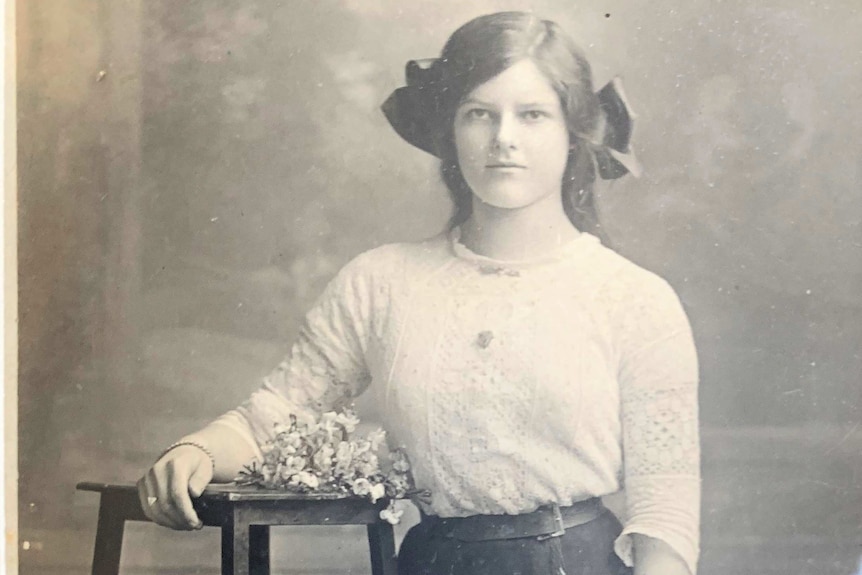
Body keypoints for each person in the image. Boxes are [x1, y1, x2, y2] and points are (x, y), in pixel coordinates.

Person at [138, 11, 700, 575]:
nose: (504, 138)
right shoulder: (381, 283)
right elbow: (275, 418)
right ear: (449, 130)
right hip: (431, 560)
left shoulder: (632, 298)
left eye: (532, 115)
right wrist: (198, 451)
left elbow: (664, 512)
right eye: (479, 113)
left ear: (572, 134)